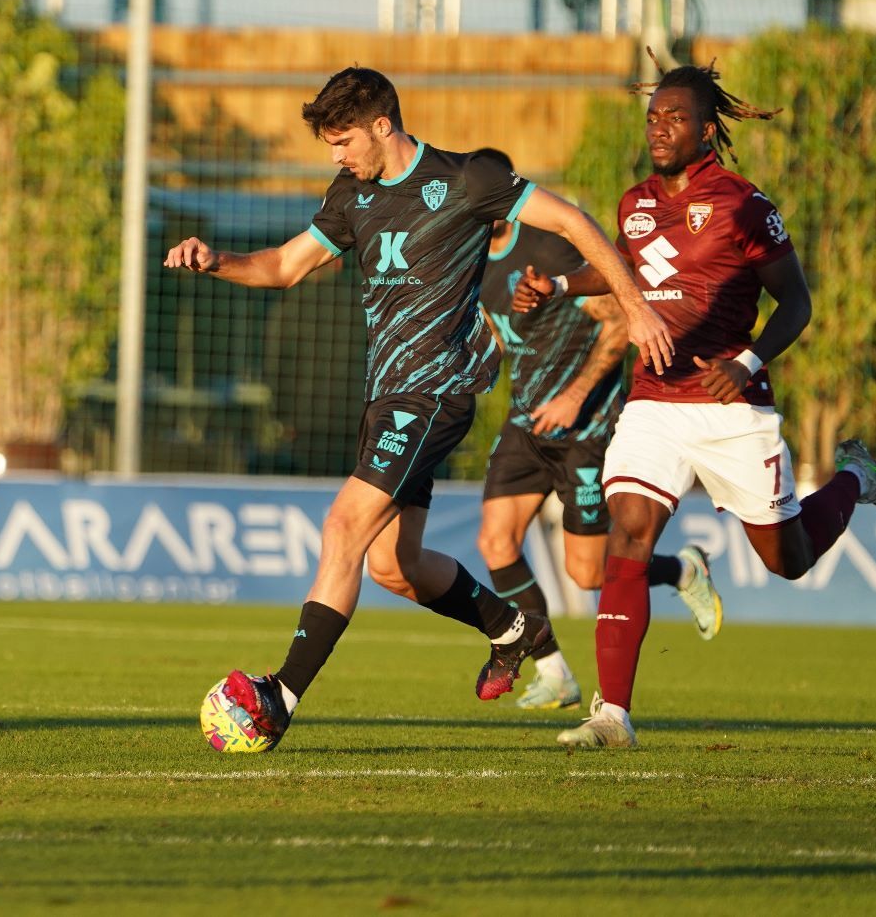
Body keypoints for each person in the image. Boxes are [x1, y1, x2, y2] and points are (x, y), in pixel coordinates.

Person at [163, 66, 674, 751]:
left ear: (383, 125)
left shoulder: (468, 180)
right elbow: (284, 266)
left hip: (434, 394)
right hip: (386, 398)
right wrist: (216, 259)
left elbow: (574, 221)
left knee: (342, 526)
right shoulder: (351, 195)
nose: (337, 156)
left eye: (343, 141)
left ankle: (278, 697)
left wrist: (636, 308)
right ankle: (511, 627)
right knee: (392, 565)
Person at [511, 57, 876, 750]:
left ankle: (856, 478)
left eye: (675, 117)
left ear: (706, 130)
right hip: (654, 401)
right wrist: (560, 286)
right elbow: (626, 270)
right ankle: (613, 715)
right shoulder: (635, 203)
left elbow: (797, 302)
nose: (659, 127)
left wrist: (747, 361)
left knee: (788, 559)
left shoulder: (744, 205)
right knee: (627, 535)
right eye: (653, 116)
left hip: (733, 408)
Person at [475, 154, 721, 713]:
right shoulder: (471, 261)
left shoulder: (545, 248)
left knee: (586, 573)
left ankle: (684, 569)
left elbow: (616, 320)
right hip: (526, 422)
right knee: (495, 541)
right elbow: (500, 332)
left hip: (584, 426)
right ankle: (554, 672)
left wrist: (574, 396)